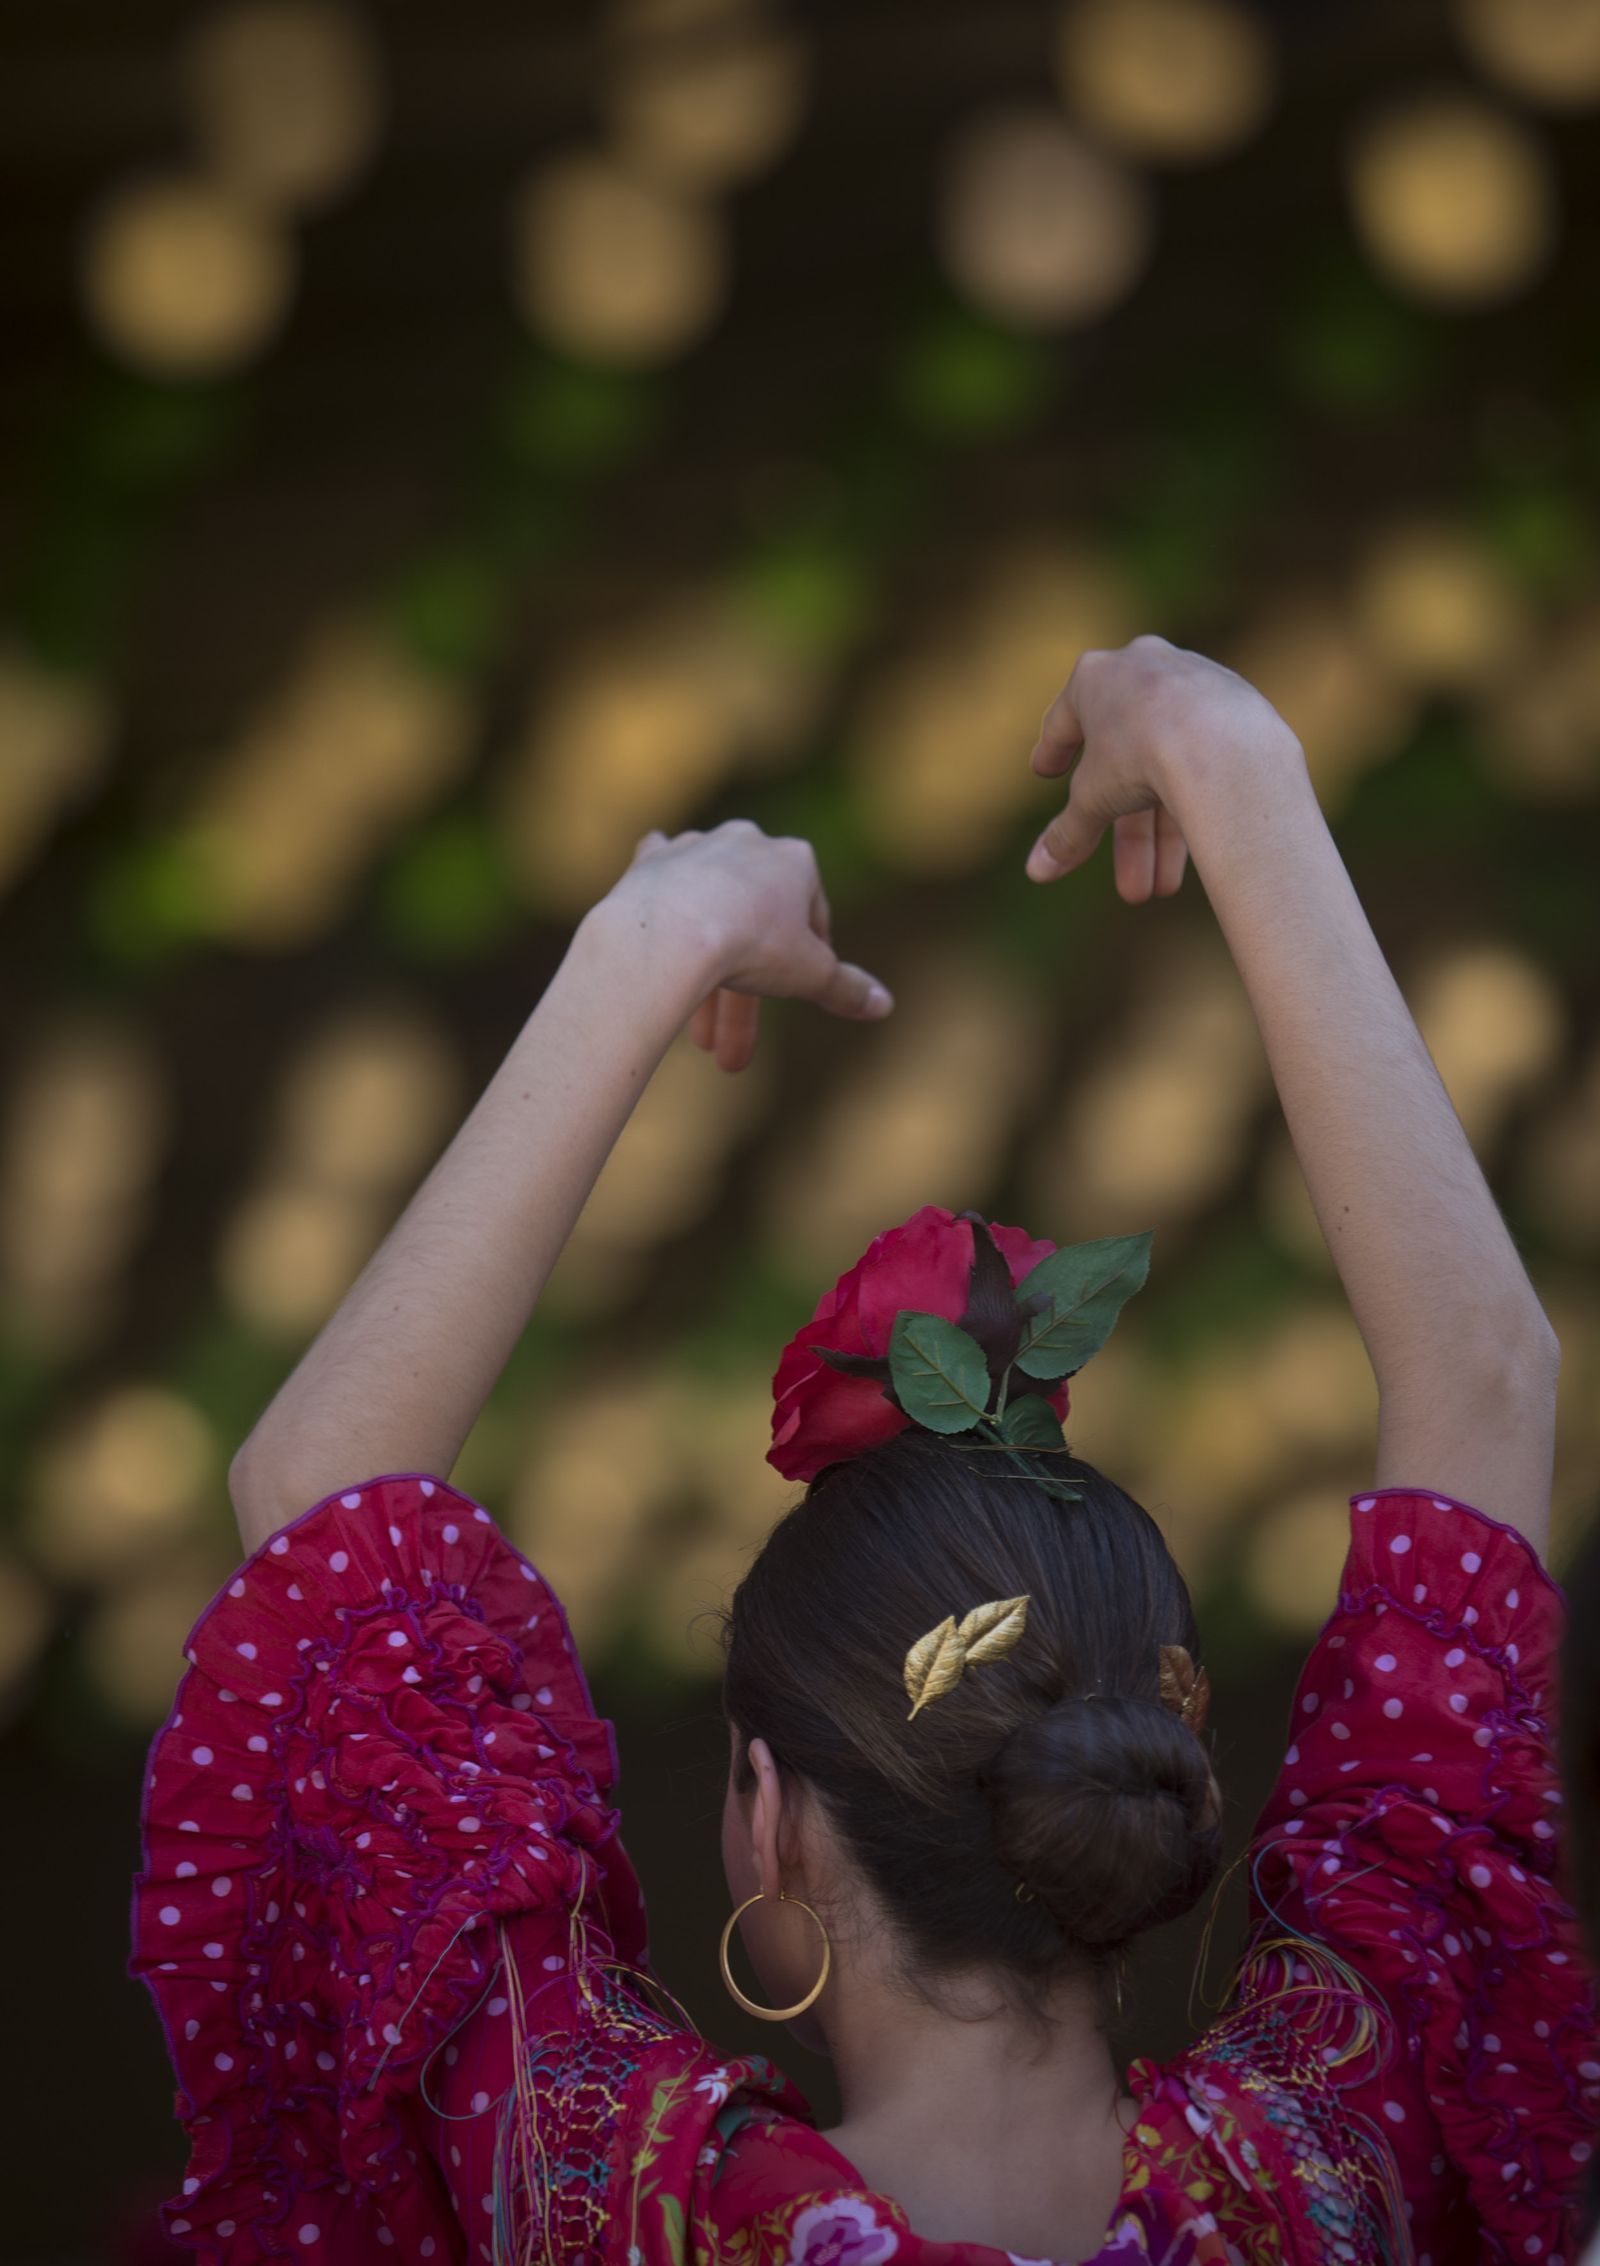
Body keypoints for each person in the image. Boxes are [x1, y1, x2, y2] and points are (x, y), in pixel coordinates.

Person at [131, 637, 1599, 2264]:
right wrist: (1236, 761)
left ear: (770, 1824)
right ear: (1138, 1764)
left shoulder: (617, 2202)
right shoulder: (1331, 2169)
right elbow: (1486, 1376)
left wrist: (652, 938)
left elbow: (318, 1501)